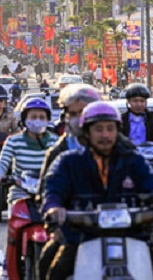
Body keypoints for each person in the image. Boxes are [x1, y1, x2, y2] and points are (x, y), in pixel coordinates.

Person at [42, 102, 153, 279]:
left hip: (133, 234)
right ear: (86, 132)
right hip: (80, 237)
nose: (105, 135)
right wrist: (54, 208)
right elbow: (52, 190)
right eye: (98, 129)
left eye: (110, 128)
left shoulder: (134, 160)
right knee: (51, 266)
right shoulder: (68, 162)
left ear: (118, 131)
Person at [36, 84, 103, 279]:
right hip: (75, 228)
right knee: (49, 263)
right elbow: (46, 191)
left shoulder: (121, 146)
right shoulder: (59, 152)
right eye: (73, 113)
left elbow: (147, 182)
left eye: (83, 112)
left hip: (119, 226)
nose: (78, 119)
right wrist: (55, 223)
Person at [0, 98, 57, 204]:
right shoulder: (13, 141)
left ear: (48, 120)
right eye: (33, 117)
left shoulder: (55, 141)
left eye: (42, 117)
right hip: (20, 195)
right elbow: (3, 162)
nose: (37, 120)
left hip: (49, 194)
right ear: (24, 119)